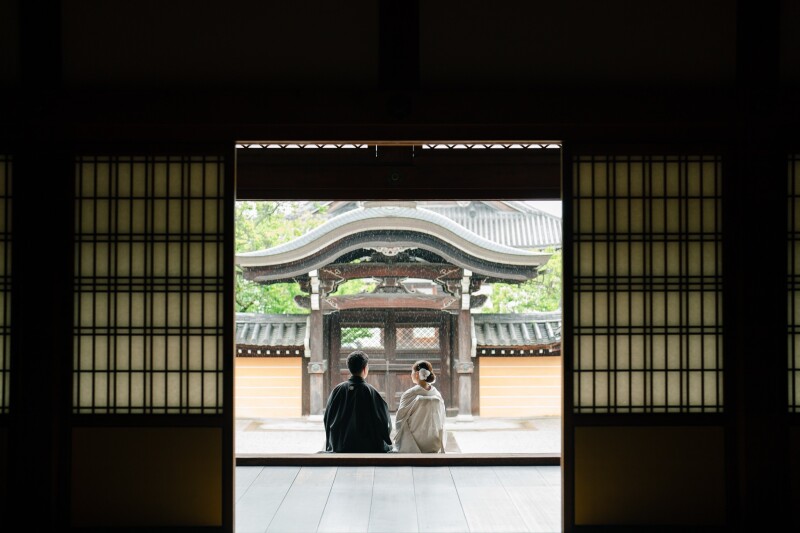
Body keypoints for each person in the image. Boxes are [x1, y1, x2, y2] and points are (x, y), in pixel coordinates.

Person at [323, 350, 392, 453]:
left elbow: (327, 418)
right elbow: (384, 420)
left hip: (340, 446)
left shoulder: (337, 390)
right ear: (365, 369)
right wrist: (387, 440)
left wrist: (331, 442)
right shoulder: (370, 391)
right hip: (368, 447)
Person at [393, 360, 447, 453]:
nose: (411, 375)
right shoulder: (436, 394)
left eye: (412, 372)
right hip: (433, 442)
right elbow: (442, 419)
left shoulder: (410, 393)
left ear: (417, 374)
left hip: (413, 443)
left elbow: (400, 419)